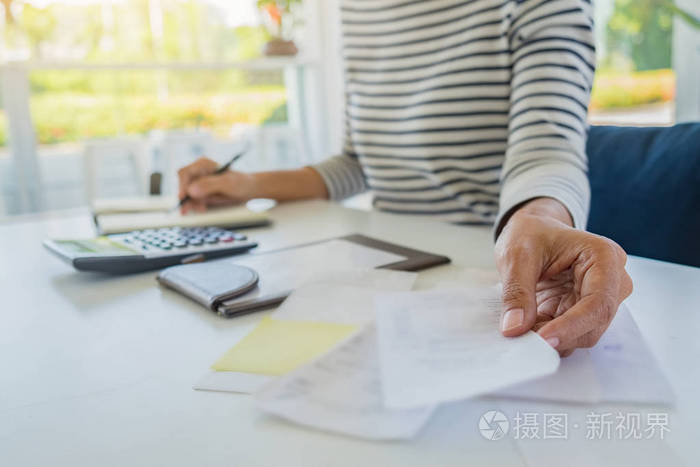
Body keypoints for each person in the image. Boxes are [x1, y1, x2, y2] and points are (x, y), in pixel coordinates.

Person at [177, 0, 632, 357]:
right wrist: (249, 186)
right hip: (384, 270)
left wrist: (540, 220)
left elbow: (546, 145)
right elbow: (357, 163)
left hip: (492, 272)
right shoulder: (358, 8)